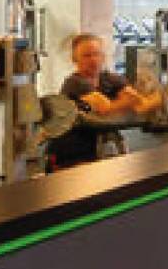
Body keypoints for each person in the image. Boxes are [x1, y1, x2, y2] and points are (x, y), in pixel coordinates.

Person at [47, 32, 161, 169]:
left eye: (97, 54)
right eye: (86, 55)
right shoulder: (75, 83)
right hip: (70, 150)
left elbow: (141, 105)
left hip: (98, 146)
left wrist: (161, 95)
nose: (93, 60)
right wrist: (131, 101)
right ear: (74, 59)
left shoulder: (109, 78)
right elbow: (105, 110)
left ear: (103, 56)